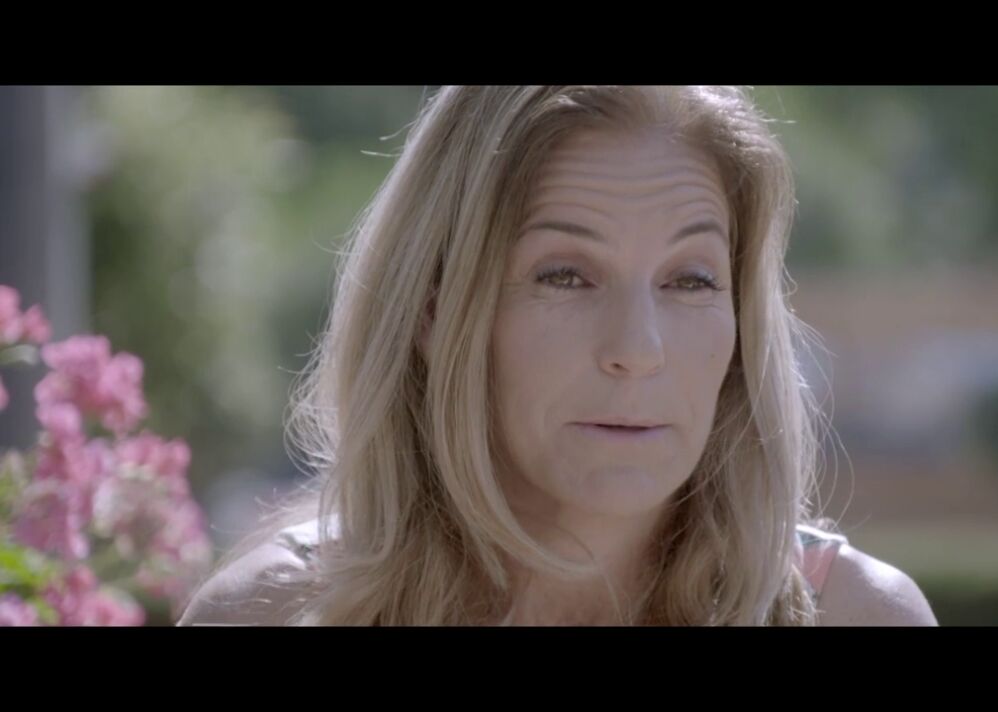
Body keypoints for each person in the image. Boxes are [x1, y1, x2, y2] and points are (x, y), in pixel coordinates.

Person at [177, 86, 938, 626]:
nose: (637, 350)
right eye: (565, 276)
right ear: (433, 311)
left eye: (690, 280)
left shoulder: (857, 614)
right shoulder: (271, 614)